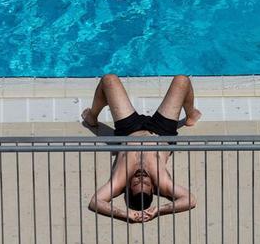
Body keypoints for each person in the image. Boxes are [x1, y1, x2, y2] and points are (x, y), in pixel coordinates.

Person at [82, 74, 201, 223]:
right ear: (153, 189)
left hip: (129, 131)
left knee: (109, 80)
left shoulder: (119, 180)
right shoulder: (162, 182)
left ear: (128, 188)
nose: (141, 178)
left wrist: (125, 213)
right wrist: (159, 210)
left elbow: (96, 201)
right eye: (145, 183)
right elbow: (190, 199)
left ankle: (92, 116)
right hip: (161, 132)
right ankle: (190, 115)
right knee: (182, 81)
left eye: (136, 183)